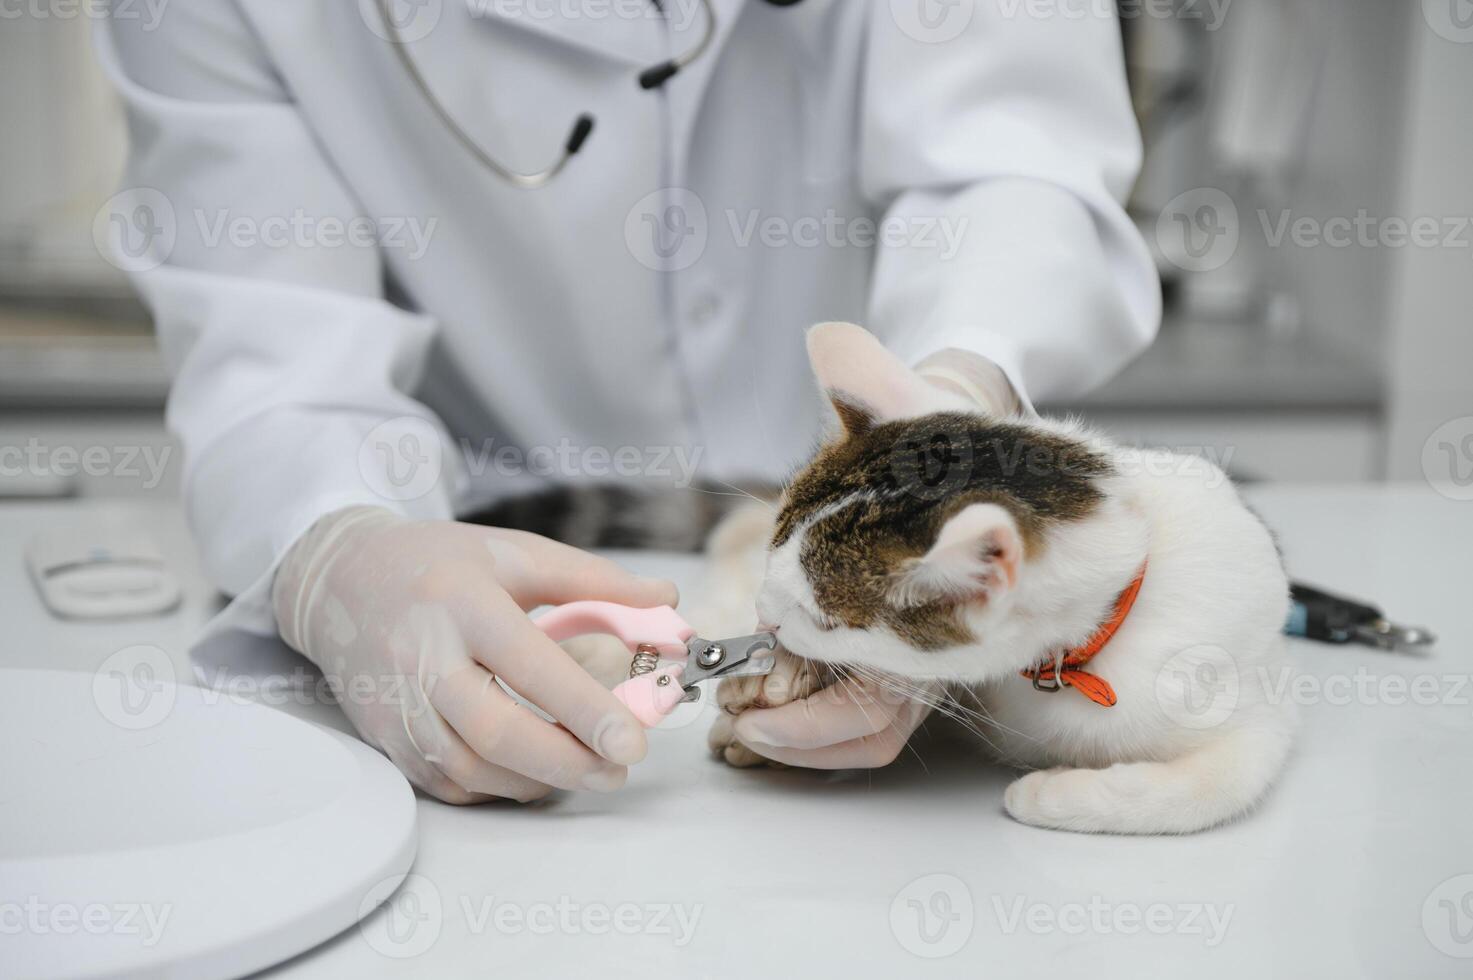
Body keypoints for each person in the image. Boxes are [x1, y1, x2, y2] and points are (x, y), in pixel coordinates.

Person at [98, 0, 1159, 803]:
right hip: (495, 544)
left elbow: (1017, 160)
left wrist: (949, 416)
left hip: (862, 516)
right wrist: (340, 558)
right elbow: (272, 343)